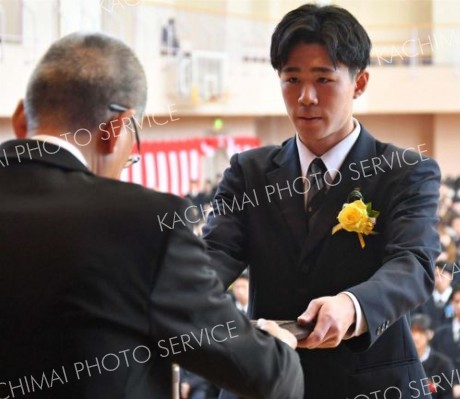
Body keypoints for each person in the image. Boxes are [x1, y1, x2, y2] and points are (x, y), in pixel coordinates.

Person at [0, 32, 303, 399]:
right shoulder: (142, 222)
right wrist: (279, 347)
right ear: (116, 129)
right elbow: (264, 375)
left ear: (20, 118)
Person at [202, 4, 441, 398]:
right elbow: (215, 256)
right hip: (270, 378)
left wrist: (352, 305)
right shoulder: (250, 171)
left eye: (323, 80)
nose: (305, 97)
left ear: (359, 83)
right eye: (291, 79)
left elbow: (413, 263)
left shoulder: (405, 170)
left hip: (372, 379)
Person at [410, 314, 454, 399]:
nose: (416, 337)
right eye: (412, 332)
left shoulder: (442, 364)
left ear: (430, 334)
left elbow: (448, 395)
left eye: (421, 332)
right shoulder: (401, 361)